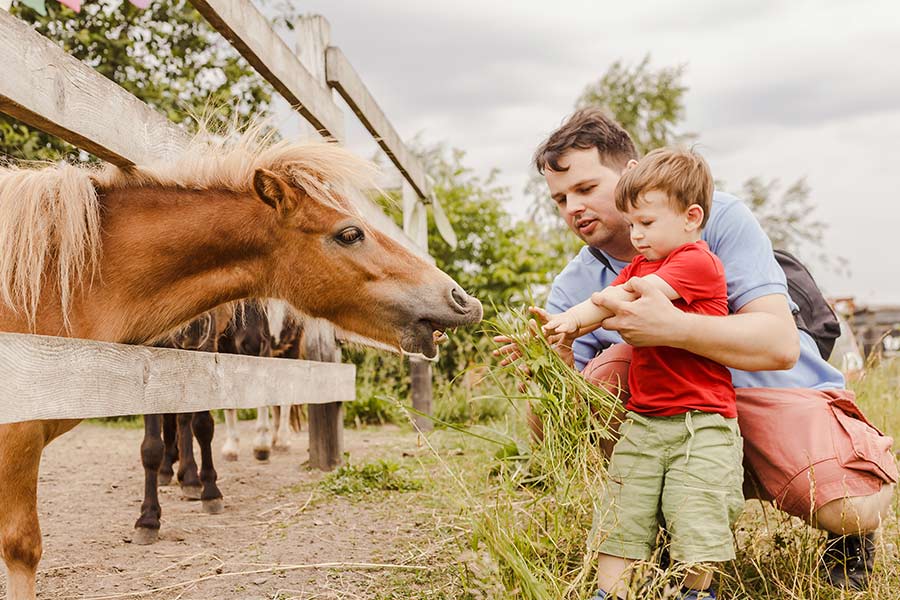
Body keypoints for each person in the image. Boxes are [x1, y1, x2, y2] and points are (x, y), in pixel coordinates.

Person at [493, 107, 897, 593]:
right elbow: (562, 436)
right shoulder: (575, 283)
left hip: (770, 391)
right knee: (611, 371)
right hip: (668, 417)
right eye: (559, 198)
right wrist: (551, 371)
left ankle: (851, 517)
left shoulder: (713, 218)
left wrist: (675, 328)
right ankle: (663, 524)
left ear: (630, 175)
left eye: (585, 188)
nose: (571, 208)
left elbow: (779, 345)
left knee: (850, 511)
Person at [543, 147, 742, 600]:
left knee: (696, 512)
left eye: (646, 224)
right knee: (621, 510)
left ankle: (694, 591)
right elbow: (602, 300)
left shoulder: (697, 262)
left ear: (691, 217)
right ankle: (610, 592)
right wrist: (564, 324)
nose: (635, 235)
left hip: (701, 422)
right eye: (630, 223)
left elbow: (625, 298)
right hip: (645, 419)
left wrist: (592, 312)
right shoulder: (640, 264)